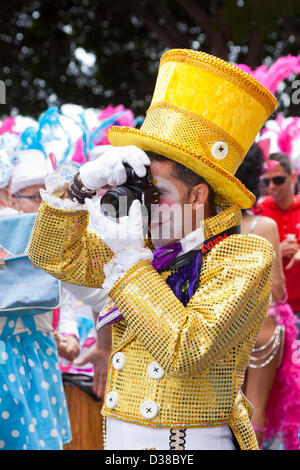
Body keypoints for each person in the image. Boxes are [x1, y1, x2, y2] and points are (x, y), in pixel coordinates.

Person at [28, 49, 277, 450]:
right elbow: (52, 255)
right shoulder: (143, 253)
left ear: (198, 195)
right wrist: (79, 189)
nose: (144, 208)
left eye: (155, 194)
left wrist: (129, 265)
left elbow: (187, 349)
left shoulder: (243, 255)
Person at [0, 149, 73, 450]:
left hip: (36, 352)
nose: (42, 205)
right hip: (20, 355)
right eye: (35, 197)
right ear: (10, 194)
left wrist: (67, 332)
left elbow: (67, 293)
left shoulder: (48, 235)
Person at [235, 144, 300, 450]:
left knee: (228, 406)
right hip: (262, 328)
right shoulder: (265, 225)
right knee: (255, 408)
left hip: (222, 327)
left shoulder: (211, 227)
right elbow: (278, 290)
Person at [254, 153, 300, 325]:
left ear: (293, 177)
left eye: (278, 180)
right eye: (266, 182)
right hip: (271, 307)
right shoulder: (257, 212)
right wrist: (276, 252)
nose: (272, 186)